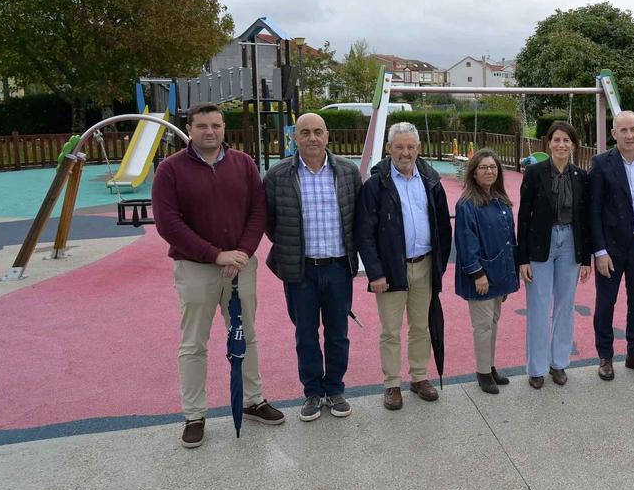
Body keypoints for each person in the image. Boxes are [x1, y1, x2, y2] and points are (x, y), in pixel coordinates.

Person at [152, 102, 285, 449]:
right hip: (196, 268)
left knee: (247, 335)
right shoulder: (170, 170)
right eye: (202, 126)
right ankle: (194, 415)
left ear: (224, 127)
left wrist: (241, 253)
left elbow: (258, 211)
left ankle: (253, 400)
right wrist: (214, 254)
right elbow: (169, 224)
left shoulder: (243, 164)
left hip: (241, 266)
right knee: (194, 343)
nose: (209, 131)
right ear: (189, 129)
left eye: (216, 125)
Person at [263, 113, 362, 421]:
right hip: (300, 270)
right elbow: (270, 221)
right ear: (295, 137)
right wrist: (291, 248)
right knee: (305, 334)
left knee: (338, 333)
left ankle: (334, 389)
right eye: (305, 132)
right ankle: (313, 392)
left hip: (338, 268)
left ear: (327, 136)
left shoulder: (347, 171)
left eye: (318, 131)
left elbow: (357, 215)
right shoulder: (278, 175)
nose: (312, 138)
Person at [355, 122, 452, 411]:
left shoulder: (431, 181)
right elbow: (364, 233)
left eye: (410, 147)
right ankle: (392, 384)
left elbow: (443, 227)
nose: (405, 152)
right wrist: (375, 272)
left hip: (425, 265)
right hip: (391, 270)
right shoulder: (376, 185)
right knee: (391, 331)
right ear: (389, 149)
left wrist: (439, 266)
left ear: (418, 149)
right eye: (399, 147)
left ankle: (419, 377)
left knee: (421, 326)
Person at [588, 110, 634, 380]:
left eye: (633, 129)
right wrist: (599, 251)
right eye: (623, 130)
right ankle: (605, 356)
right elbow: (593, 210)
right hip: (610, 248)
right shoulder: (601, 164)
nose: (629, 135)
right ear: (614, 134)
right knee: (606, 303)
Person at [517, 121, 591, 389]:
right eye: (556, 140)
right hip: (540, 244)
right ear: (548, 143)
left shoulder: (581, 176)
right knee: (538, 307)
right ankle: (536, 368)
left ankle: (558, 363)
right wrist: (523, 258)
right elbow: (524, 216)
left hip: (570, 242)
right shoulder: (534, 173)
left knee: (565, 306)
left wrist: (586, 258)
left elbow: (585, 219)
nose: (561, 145)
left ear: (574, 145)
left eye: (566, 140)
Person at [454, 149, 519, 394]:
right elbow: (466, 242)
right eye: (483, 167)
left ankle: (490, 367)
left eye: (493, 167)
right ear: (474, 172)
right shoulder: (467, 205)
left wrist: (509, 274)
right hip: (481, 276)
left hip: (500, 272)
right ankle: (482, 373)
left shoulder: (500, 200)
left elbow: (509, 239)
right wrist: (477, 273)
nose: (489, 171)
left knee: (493, 322)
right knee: (482, 326)